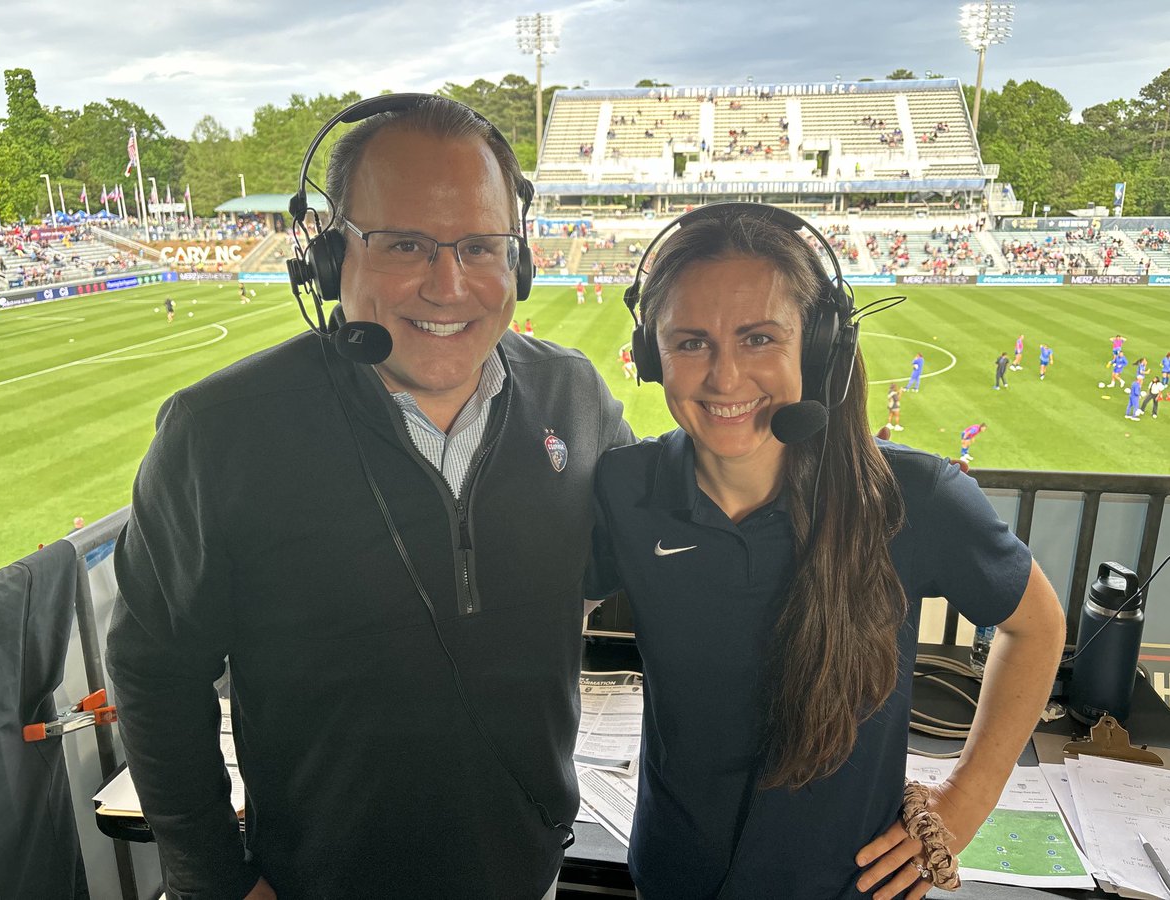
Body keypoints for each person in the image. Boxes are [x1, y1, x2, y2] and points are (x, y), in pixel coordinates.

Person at [107, 95, 631, 900]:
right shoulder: (218, 433)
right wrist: (215, 880)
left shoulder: (577, 397)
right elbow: (153, 669)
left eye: (481, 246)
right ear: (327, 257)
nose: (449, 285)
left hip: (528, 876)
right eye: (406, 245)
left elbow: (687, 548)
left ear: (518, 259)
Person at [585, 207, 1064, 900]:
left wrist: (963, 804)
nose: (724, 377)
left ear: (817, 348)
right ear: (653, 355)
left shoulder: (917, 496)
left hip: (849, 886)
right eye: (691, 342)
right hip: (675, 877)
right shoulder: (625, 490)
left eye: (757, 339)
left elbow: (1037, 625)